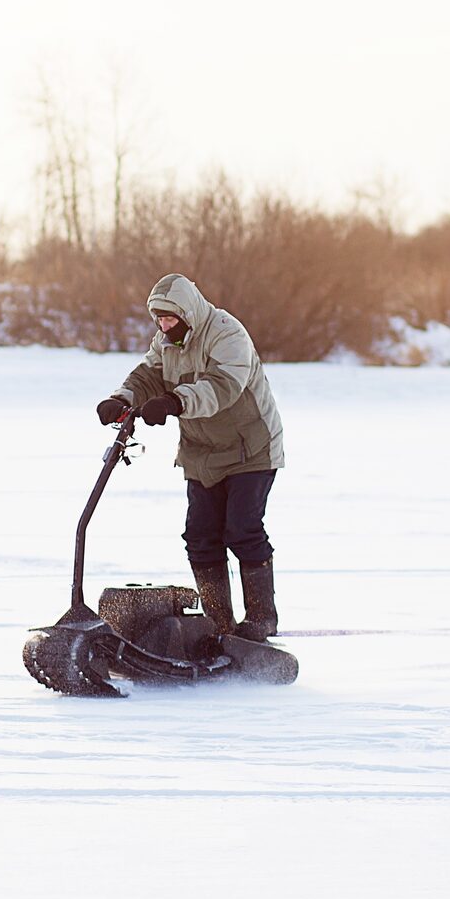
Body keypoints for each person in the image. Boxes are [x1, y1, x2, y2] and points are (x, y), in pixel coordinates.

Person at [95, 273, 285, 639]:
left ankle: (262, 620)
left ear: (189, 313)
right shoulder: (166, 341)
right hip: (201, 452)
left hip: (250, 449)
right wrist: (122, 399)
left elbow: (223, 386)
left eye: (171, 319)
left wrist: (176, 401)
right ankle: (219, 625)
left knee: (242, 530)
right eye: (160, 320)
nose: (165, 326)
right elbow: (147, 376)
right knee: (199, 535)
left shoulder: (227, 333)